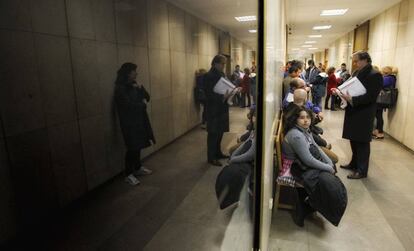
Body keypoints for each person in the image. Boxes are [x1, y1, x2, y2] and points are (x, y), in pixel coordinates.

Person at [282, 107, 337, 227]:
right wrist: (327, 168)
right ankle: (309, 205)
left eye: (307, 117)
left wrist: (329, 164)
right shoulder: (296, 135)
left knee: (331, 167)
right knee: (325, 179)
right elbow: (308, 160)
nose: (306, 120)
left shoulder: (305, 130)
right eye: (302, 118)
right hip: (295, 168)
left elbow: (317, 147)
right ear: (295, 119)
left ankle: (312, 203)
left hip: (303, 164)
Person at [337, 51, 383, 179]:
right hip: (354, 110)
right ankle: (354, 163)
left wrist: (352, 99)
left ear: (365, 60)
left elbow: (371, 97)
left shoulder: (375, 75)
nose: (355, 63)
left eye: (357, 61)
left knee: (362, 142)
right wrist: (341, 93)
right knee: (353, 139)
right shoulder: (357, 72)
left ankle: (362, 170)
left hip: (364, 113)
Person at [114, 63, 155, 186]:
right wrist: (142, 104)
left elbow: (147, 97)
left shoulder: (134, 85)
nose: (136, 73)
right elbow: (128, 106)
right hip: (129, 123)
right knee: (132, 147)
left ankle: (137, 168)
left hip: (139, 120)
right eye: (134, 71)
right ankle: (128, 174)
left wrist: (140, 88)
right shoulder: (120, 88)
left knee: (139, 144)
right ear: (127, 73)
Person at [204, 55, 232, 166]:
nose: (224, 66)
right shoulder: (209, 76)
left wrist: (232, 90)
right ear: (215, 63)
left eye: (224, 64)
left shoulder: (222, 74)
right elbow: (209, 94)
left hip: (221, 108)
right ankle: (211, 157)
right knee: (213, 134)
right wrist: (222, 97)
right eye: (222, 64)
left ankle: (218, 152)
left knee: (220, 132)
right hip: (213, 109)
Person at [373, 66, 397, 139]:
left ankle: (380, 132)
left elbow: (379, 84)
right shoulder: (391, 77)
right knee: (378, 115)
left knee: (378, 116)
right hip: (382, 100)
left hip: (380, 100)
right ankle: (377, 131)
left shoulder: (388, 78)